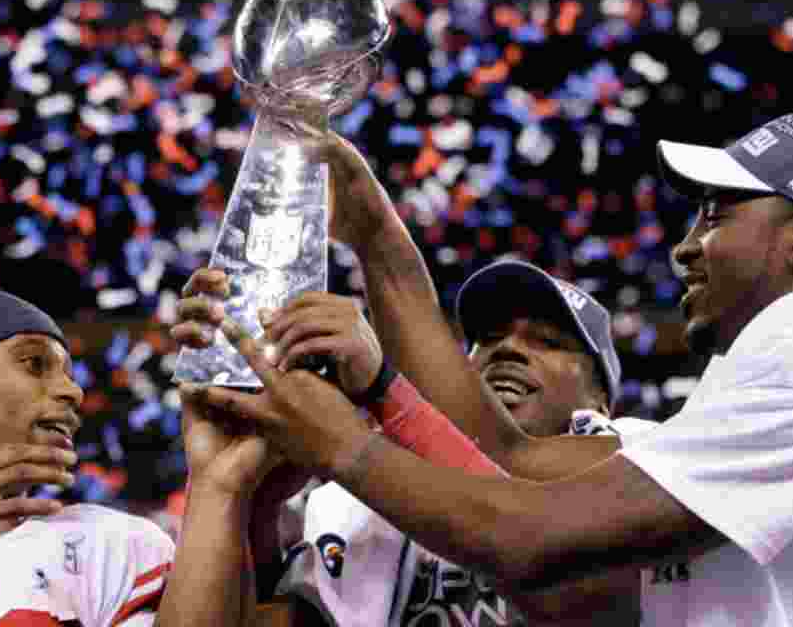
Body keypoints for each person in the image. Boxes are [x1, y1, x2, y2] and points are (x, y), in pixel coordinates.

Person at [202, 112, 793, 626]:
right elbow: (511, 470)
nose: (687, 247)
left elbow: (528, 538)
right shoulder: (764, 405)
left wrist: (341, 441)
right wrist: (378, 252)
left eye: (716, 214)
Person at [172, 257, 650, 626]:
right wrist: (249, 494)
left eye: (546, 341)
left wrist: (378, 393)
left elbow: (524, 516)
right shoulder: (360, 500)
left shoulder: (644, 456)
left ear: (603, 402)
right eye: (488, 337)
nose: (508, 348)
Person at [0, 287, 176, 626]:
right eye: (34, 364)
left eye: (69, 374)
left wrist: (217, 487)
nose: (73, 391)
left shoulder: (111, 548)